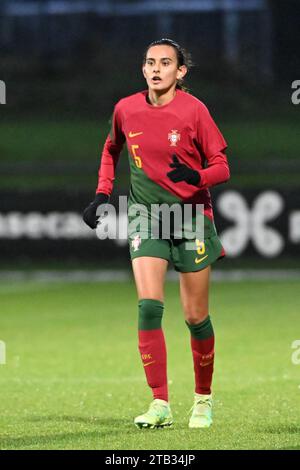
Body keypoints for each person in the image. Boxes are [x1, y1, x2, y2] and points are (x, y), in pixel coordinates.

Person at [83, 38, 230, 429]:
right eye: (150, 62)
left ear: (180, 72)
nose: (156, 69)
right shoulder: (126, 109)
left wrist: (197, 176)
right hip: (147, 215)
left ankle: (203, 399)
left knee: (195, 316)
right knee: (149, 306)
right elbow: (110, 148)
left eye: (166, 63)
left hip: (191, 217)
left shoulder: (194, 110)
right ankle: (160, 403)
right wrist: (102, 193)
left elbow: (222, 165)